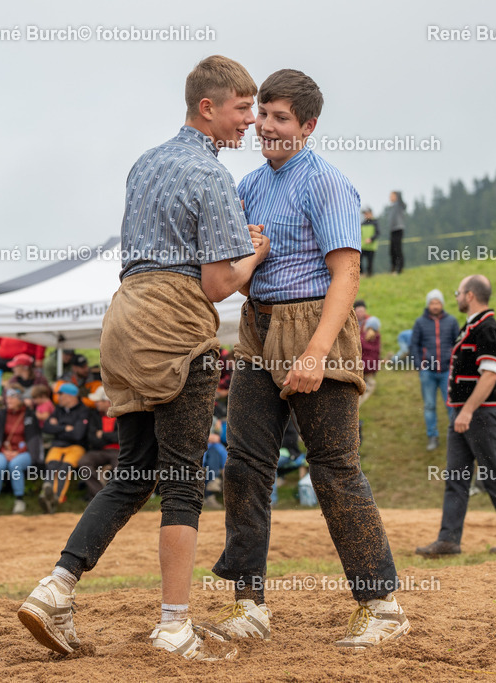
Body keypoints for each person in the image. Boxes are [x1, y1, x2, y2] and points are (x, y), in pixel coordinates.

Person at [17, 55, 267, 662]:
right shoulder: (211, 177)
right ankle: (174, 626)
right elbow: (214, 284)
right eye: (241, 108)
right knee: (183, 481)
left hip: (124, 316)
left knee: (133, 473)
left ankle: (55, 589)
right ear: (207, 108)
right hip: (174, 321)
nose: (250, 122)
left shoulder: (145, 162)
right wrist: (255, 254)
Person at [207, 68, 406, 651]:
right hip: (257, 326)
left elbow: (348, 272)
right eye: (262, 114)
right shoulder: (247, 186)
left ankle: (382, 606)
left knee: (335, 468)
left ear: (308, 126)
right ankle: (250, 605)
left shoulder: (327, 183)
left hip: (315, 325)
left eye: (280, 118)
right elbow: (237, 273)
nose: (265, 126)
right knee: (244, 466)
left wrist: (316, 354)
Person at [417, 275, 496, 558]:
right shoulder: (471, 327)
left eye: (458, 293)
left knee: (493, 475)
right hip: (463, 414)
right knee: (456, 477)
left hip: (479, 413)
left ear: (469, 296)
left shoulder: (488, 328)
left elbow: (490, 374)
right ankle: (449, 540)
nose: (455, 297)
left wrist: (467, 410)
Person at [409, 289, 459, 450]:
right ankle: (433, 436)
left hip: (447, 371)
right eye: (432, 302)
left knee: (450, 405)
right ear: (428, 304)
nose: (435, 305)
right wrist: (420, 365)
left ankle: (455, 437)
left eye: (437, 302)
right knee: (429, 405)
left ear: (442, 304)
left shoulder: (451, 321)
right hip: (428, 372)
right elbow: (414, 345)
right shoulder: (420, 323)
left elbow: (458, 344)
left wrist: (454, 364)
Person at [0, 389, 43, 516]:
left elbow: (33, 440)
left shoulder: (29, 415)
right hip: (5, 450)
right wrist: (3, 451)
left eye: (12, 397)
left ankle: (19, 500)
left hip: (25, 452)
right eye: (7, 397)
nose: (8, 400)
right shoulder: (1, 415)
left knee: (15, 465)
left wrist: (18, 452)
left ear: (20, 400)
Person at [39, 382, 92, 512]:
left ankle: (56, 497)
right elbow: (46, 427)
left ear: (70, 396)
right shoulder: (59, 409)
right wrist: (65, 428)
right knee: (51, 465)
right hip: (58, 445)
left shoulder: (83, 410)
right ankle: (47, 494)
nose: (58, 398)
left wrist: (57, 427)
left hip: (76, 446)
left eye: (61, 395)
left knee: (64, 467)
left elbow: (78, 435)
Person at [77, 385, 120, 501]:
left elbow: (121, 437)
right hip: (100, 450)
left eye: (99, 401)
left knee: (120, 468)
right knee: (84, 462)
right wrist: (110, 438)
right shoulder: (94, 415)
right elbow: (92, 439)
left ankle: (118, 498)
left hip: (119, 451)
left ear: (108, 402)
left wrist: (103, 435)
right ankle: (100, 497)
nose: (96, 403)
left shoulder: (121, 415)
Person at [355, 300, 381, 405]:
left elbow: (375, 352)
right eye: (359, 310)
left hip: (361, 364)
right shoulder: (352, 322)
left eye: (362, 310)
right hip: (363, 365)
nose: (361, 313)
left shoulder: (368, 323)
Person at [381, 191, 406, 274]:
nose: (390, 197)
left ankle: (399, 269)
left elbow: (403, 203)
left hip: (398, 229)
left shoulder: (399, 205)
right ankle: (393, 267)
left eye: (392, 196)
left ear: (396, 196)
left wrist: (399, 195)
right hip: (392, 230)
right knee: (392, 250)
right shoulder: (392, 207)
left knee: (398, 249)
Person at [359, 207, 379, 276]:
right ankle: (362, 273)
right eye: (365, 214)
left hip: (371, 246)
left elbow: (377, 233)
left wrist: (371, 239)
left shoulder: (375, 222)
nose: (365, 215)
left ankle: (369, 275)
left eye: (367, 213)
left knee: (370, 262)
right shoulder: (363, 223)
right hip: (363, 246)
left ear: (371, 213)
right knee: (359, 260)